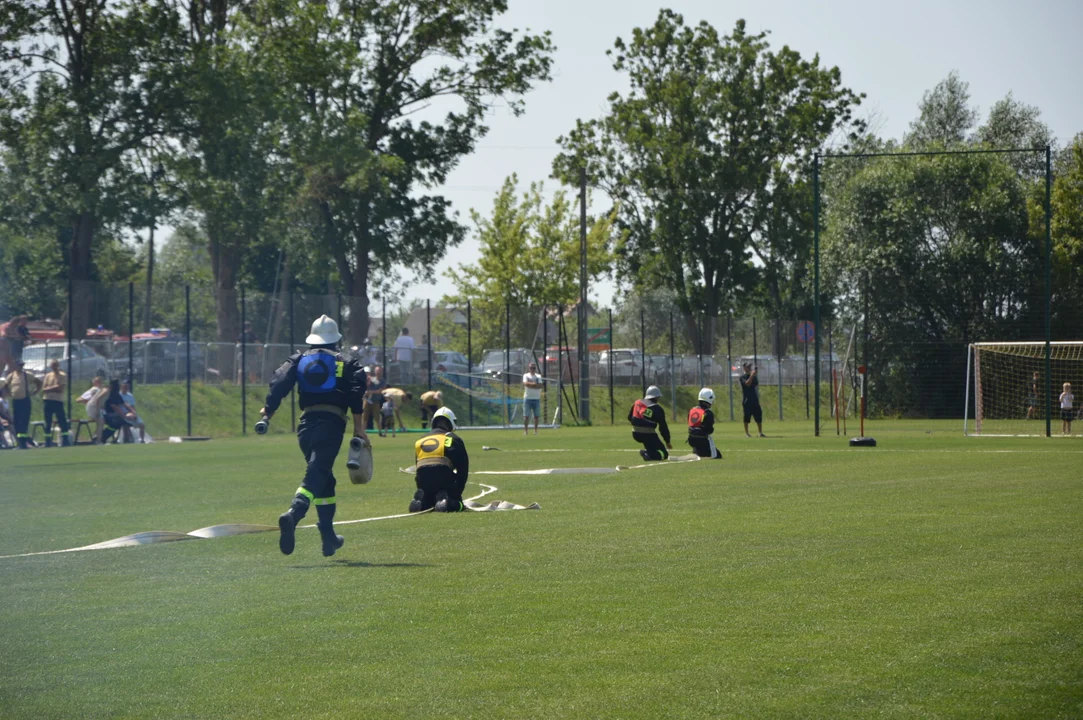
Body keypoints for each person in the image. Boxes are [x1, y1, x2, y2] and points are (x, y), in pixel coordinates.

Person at [260, 314, 368, 558]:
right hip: (331, 425)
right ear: (336, 339)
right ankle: (294, 513)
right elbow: (355, 396)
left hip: (305, 427)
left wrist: (269, 410)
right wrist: (359, 429)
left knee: (325, 478)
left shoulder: (299, 359)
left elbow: (278, 383)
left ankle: (328, 538)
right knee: (317, 473)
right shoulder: (347, 362)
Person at [409, 407, 470, 513]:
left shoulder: (421, 439)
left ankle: (422, 501)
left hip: (423, 479)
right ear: (451, 422)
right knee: (458, 503)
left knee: (429, 498)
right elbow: (463, 470)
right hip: (444, 477)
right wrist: (457, 493)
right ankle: (446, 502)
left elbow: (418, 466)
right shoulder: (454, 438)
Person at [4, 359, 41, 449]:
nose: (20, 367)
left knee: (24, 422)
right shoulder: (11, 376)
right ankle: (19, 442)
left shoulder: (27, 375)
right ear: (15, 366)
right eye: (19, 365)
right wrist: (9, 393)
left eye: (22, 365)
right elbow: (5, 386)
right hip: (16, 401)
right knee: (16, 422)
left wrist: (35, 392)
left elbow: (39, 382)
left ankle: (24, 443)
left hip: (25, 401)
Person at [628, 385, 672, 461]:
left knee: (650, 444)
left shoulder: (637, 403)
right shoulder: (657, 408)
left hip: (635, 433)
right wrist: (667, 441)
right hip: (649, 434)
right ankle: (647, 453)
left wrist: (638, 425)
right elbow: (663, 427)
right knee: (664, 454)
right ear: (656, 397)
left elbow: (629, 417)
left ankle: (648, 451)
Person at [41, 358, 70, 447]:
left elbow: (60, 389)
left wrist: (50, 389)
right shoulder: (48, 376)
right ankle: (48, 441)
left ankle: (65, 441)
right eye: (52, 366)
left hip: (58, 401)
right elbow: (44, 389)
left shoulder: (62, 375)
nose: (54, 367)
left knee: (62, 421)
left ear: (58, 366)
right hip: (47, 400)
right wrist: (54, 388)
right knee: (48, 421)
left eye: (55, 365)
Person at [687, 387, 723, 459]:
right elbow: (709, 430)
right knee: (717, 455)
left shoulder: (692, 410)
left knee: (701, 452)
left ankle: (697, 451)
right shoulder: (708, 412)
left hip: (691, 439)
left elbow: (691, 423)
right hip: (702, 439)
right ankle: (700, 452)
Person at [76, 375, 107, 443]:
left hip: (100, 410)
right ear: (94, 382)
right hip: (94, 410)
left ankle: (96, 437)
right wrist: (89, 401)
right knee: (101, 422)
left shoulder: (101, 390)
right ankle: (97, 439)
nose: (99, 383)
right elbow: (78, 400)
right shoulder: (94, 390)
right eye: (97, 381)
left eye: (100, 381)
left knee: (102, 422)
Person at [101, 379, 132, 444]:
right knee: (120, 422)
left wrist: (132, 412)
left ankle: (107, 438)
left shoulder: (117, 394)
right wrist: (123, 416)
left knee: (117, 424)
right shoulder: (111, 394)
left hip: (114, 415)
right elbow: (115, 407)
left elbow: (124, 404)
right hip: (107, 414)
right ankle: (103, 437)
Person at [740, 362, 765, 437]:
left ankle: (760, 432)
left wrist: (753, 376)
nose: (749, 368)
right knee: (747, 416)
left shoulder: (753, 377)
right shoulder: (742, 377)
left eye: (750, 366)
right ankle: (747, 433)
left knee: (758, 415)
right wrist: (751, 376)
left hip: (754, 399)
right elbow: (747, 384)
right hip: (747, 400)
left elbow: (755, 384)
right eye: (748, 367)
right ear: (744, 368)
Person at [522, 361, 543, 435]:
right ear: (529, 368)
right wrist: (534, 384)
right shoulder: (526, 375)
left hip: (536, 398)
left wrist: (531, 385)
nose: (532, 369)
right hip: (527, 398)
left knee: (536, 416)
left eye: (534, 368)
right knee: (526, 416)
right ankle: (526, 431)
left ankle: (535, 431)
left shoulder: (538, 376)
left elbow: (540, 385)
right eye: (531, 368)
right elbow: (525, 384)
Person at [362, 366, 386, 433]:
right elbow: (366, 386)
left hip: (376, 402)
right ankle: (362, 432)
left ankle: (380, 432)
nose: (378, 372)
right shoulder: (370, 379)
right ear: (375, 372)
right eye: (377, 371)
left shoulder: (382, 381)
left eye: (380, 371)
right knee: (364, 417)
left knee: (377, 418)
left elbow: (380, 391)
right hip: (367, 401)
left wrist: (370, 392)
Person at [0, 382, 15, 448]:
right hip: (2, 418)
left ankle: (19, 442)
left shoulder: (6, 401)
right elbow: (2, 412)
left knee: (12, 428)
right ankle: (6, 445)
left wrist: (11, 418)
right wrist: (8, 419)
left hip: (5, 418)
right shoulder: (0, 401)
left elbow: (7, 412)